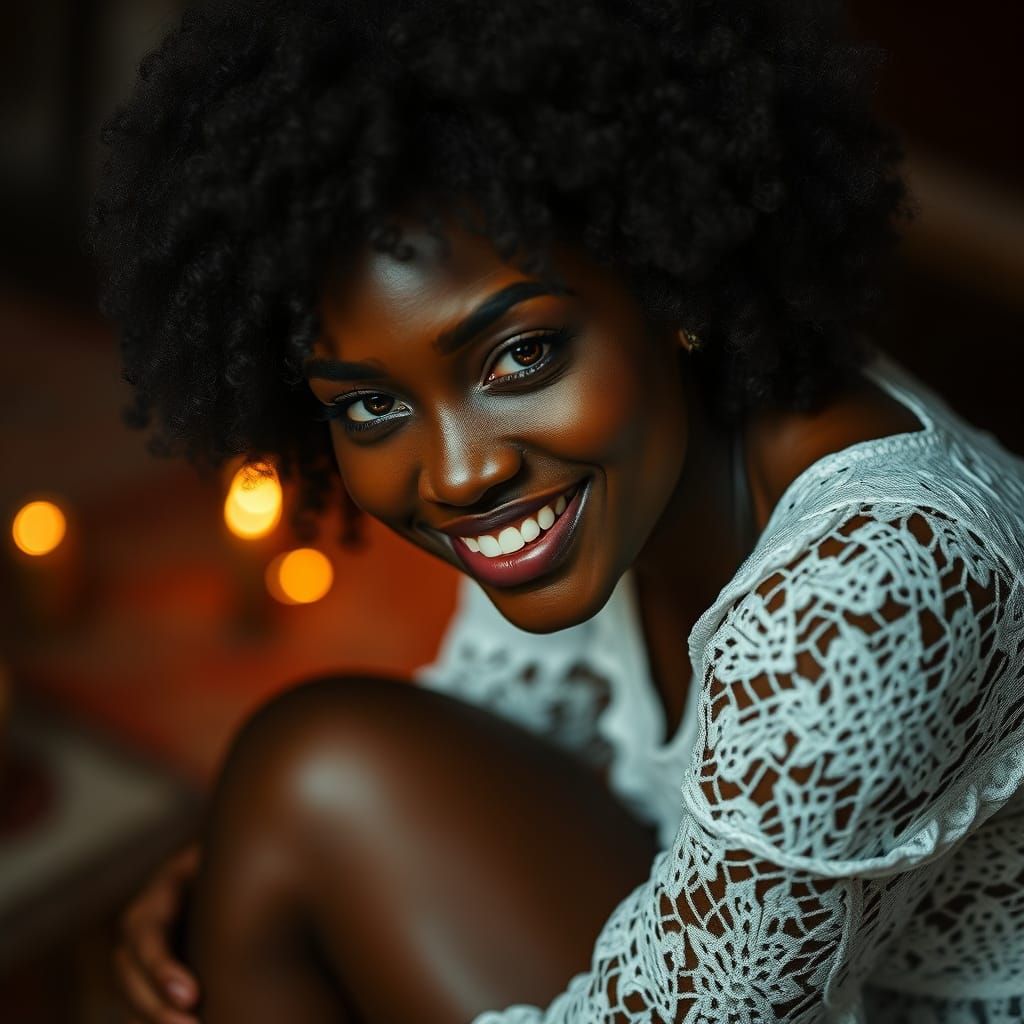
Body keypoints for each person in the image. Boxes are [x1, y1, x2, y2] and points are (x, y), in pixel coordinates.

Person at [91, 0, 1024, 1021]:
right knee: (301, 772)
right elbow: (472, 734)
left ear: (672, 284)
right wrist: (248, 872)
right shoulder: (606, 475)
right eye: (370, 402)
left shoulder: (878, 589)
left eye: (519, 354)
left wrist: (270, 896)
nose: (457, 474)